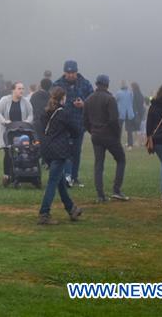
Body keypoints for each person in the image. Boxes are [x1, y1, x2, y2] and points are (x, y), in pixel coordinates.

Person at [37, 86, 84, 225]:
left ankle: (71, 209)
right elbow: (76, 131)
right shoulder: (63, 113)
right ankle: (44, 213)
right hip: (59, 151)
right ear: (63, 98)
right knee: (53, 182)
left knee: (60, 181)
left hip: (47, 150)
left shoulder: (46, 112)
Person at [84, 75, 128, 202]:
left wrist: (92, 131)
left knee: (99, 164)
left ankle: (100, 195)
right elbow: (114, 120)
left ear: (96, 84)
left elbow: (85, 121)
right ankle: (116, 190)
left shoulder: (88, 100)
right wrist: (116, 134)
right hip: (109, 136)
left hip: (96, 136)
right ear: (107, 84)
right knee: (121, 159)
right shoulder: (110, 99)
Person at [54, 60, 94, 188]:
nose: (70, 75)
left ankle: (74, 177)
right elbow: (52, 102)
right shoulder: (57, 84)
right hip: (62, 124)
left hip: (78, 124)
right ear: (64, 72)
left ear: (77, 72)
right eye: (68, 72)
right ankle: (65, 177)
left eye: (73, 72)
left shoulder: (85, 84)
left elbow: (93, 100)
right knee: (64, 152)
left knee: (76, 152)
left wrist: (84, 104)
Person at [0, 82, 34, 186]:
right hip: (8, 132)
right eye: (19, 88)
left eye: (23, 88)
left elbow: (30, 114)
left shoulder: (26, 101)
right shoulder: (4, 100)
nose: (22, 90)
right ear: (13, 90)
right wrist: (4, 121)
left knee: (21, 153)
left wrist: (27, 122)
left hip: (21, 132)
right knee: (8, 153)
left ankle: (18, 176)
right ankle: (7, 175)